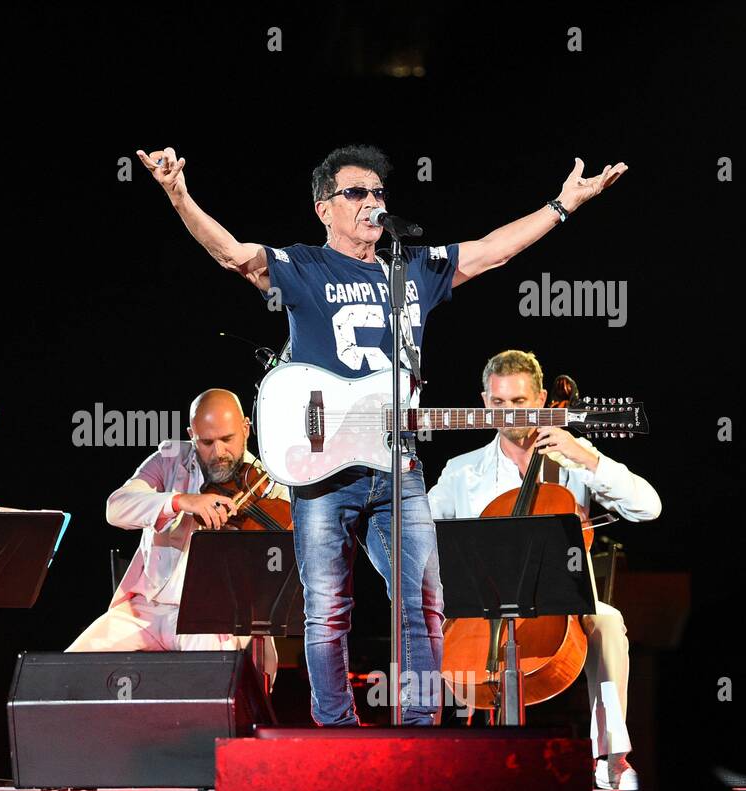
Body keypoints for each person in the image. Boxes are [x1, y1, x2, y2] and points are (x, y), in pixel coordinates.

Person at [135, 142, 627, 726]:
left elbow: (493, 251)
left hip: (398, 467)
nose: (372, 202)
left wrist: (562, 205)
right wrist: (177, 193)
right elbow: (232, 255)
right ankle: (338, 731)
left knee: (424, 601)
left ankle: (419, 732)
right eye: (356, 193)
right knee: (327, 609)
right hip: (321, 472)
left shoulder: (412, 267)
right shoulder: (304, 267)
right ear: (324, 208)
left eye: (378, 193)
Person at [427, 350, 659, 790]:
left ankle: (611, 757)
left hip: (561, 602)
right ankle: (444, 765)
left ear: (542, 399)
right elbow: (418, 539)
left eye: (520, 402)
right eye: (498, 404)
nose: (510, 414)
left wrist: (588, 461)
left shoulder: (572, 456)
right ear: (483, 402)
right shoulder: (462, 471)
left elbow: (648, 507)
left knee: (609, 624)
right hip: (484, 612)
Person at [66, 389, 287, 684]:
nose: (219, 453)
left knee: (210, 687)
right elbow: (116, 507)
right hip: (146, 610)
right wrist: (180, 501)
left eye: (228, 439)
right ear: (191, 435)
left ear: (246, 428)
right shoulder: (169, 459)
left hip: (215, 619)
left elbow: (282, 575)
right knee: (67, 672)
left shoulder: (271, 485)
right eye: (206, 442)